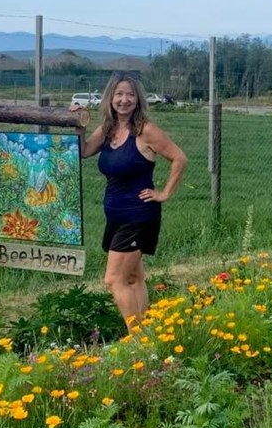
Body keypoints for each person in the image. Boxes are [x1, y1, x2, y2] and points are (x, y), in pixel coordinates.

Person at [71, 73, 187, 330]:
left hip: (139, 216)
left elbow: (180, 158)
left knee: (113, 280)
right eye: (119, 94)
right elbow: (83, 151)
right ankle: (148, 333)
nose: (124, 100)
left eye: (130, 95)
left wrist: (164, 193)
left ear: (138, 100)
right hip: (115, 215)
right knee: (133, 278)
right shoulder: (108, 129)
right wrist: (80, 125)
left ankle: (138, 339)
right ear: (111, 98)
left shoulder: (146, 130)